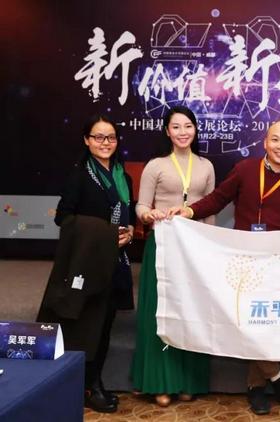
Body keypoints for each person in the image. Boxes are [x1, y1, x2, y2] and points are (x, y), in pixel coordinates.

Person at [169, 120, 280, 415]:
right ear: (265, 142)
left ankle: (256, 385)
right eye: (275, 139)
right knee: (249, 322)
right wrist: (190, 210)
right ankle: (275, 379)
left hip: (279, 263)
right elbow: (218, 199)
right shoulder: (245, 169)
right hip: (243, 261)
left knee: (270, 323)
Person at [38, 114, 135, 413]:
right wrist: (105, 234)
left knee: (105, 326)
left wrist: (130, 232)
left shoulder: (123, 177)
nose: (105, 143)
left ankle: (95, 382)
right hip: (87, 264)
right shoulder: (79, 175)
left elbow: (127, 216)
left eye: (111, 137)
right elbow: (63, 218)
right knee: (86, 326)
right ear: (86, 140)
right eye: (98, 137)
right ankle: (83, 386)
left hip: (115, 263)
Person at [130, 106, 215, 407]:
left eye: (188, 126)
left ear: (195, 129)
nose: (182, 132)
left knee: (190, 311)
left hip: (194, 249)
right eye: (176, 127)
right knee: (161, 311)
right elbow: (140, 206)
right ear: (167, 131)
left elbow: (210, 210)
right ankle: (159, 382)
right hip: (163, 245)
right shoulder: (156, 165)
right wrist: (148, 215)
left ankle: (189, 380)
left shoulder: (206, 166)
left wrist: (210, 247)